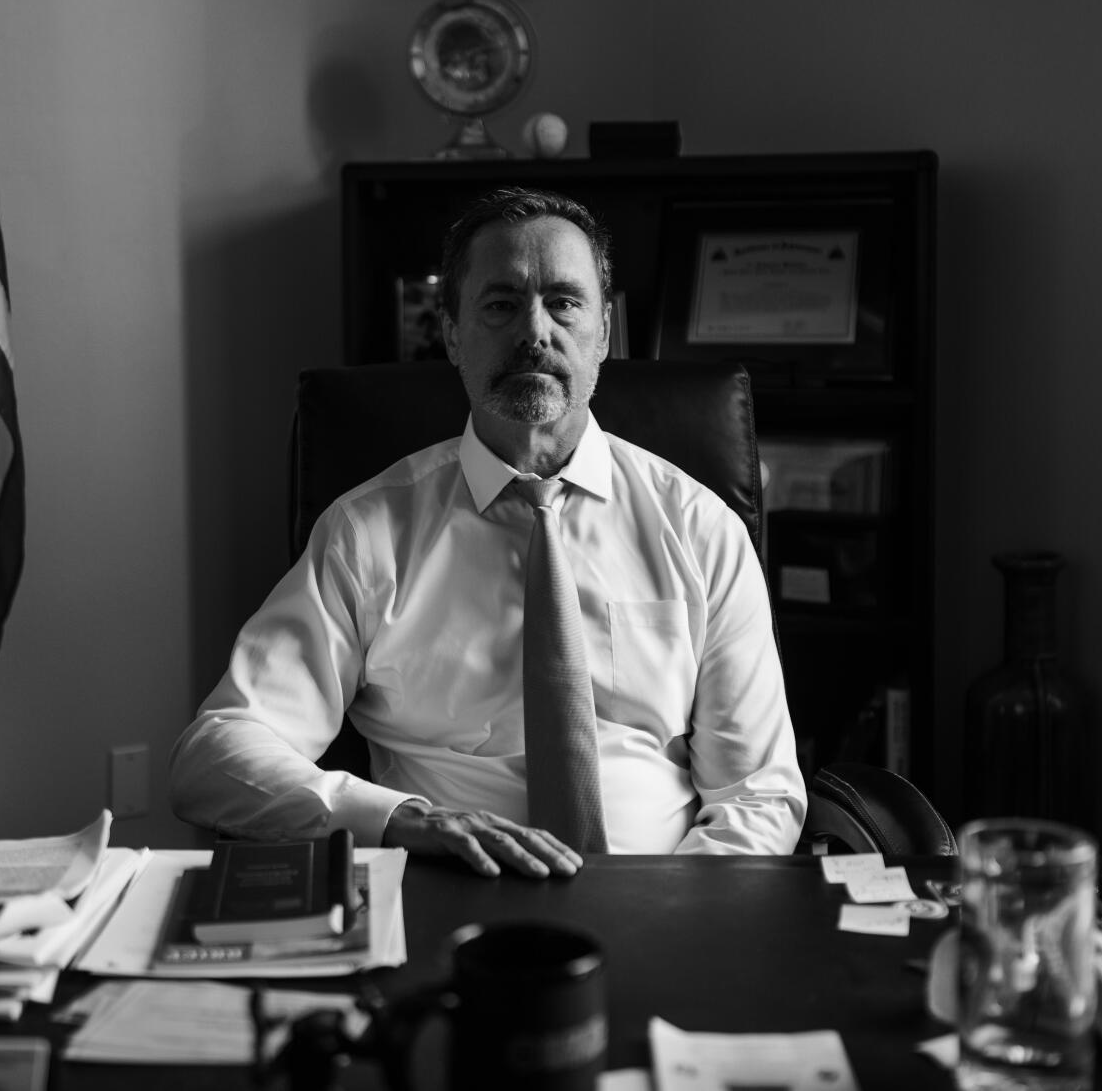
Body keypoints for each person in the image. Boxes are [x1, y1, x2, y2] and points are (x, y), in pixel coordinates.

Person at [169, 188, 806, 876]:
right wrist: (401, 820)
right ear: (450, 333)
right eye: (501, 305)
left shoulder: (699, 528)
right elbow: (214, 755)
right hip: (446, 897)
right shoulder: (368, 533)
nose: (535, 332)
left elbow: (758, 793)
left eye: (564, 301)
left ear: (605, 330)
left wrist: (675, 915)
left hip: (669, 899)